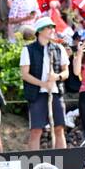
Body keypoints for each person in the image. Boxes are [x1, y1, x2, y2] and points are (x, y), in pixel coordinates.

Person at [20, 18, 69, 150]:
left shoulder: (59, 49)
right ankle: (33, 165)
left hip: (56, 93)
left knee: (59, 128)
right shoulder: (28, 49)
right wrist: (42, 84)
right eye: (48, 27)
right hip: (37, 94)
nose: (52, 30)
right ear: (40, 31)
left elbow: (66, 72)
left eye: (52, 27)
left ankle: (63, 164)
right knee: (36, 130)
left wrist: (56, 77)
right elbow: (25, 74)